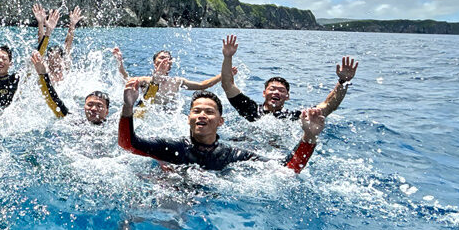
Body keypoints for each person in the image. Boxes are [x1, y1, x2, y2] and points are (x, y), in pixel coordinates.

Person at [118, 80, 326, 173]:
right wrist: (128, 106)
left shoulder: (233, 155)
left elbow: (287, 169)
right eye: (196, 111)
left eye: (209, 112)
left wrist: (308, 137)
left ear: (220, 122)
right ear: (188, 118)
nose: (201, 115)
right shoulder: (172, 147)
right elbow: (128, 144)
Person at [220, 34, 358, 121]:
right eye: (272, 89)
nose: (276, 92)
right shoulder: (250, 109)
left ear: (287, 97)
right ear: (264, 93)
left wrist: (343, 82)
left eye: (281, 90)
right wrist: (228, 57)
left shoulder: (293, 117)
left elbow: (328, 106)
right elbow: (227, 84)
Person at [112, 46, 221, 111]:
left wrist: (223, 75)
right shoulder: (145, 80)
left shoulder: (177, 82)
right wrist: (119, 62)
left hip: (168, 117)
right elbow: (127, 79)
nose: (165, 60)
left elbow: (203, 85)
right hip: (146, 112)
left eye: (168, 59)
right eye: (162, 58)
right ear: (155, 63)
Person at [30, 51, 110, 124]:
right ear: (84, 107)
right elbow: (54, 101)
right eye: (90, 104)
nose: (93, 109)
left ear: (107, 112)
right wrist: (43, 74)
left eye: (99, 106)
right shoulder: (75, 123)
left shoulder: (113, 126)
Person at [34, 5, 82, 83]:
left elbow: (68, 44)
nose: (54, 62)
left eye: (56, 59)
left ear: (61, 59)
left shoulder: (65, 67)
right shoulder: (46, 69)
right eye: (52, 58)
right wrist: (40, 23)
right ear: (47, 59)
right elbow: (41, 47)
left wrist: (72, 24)